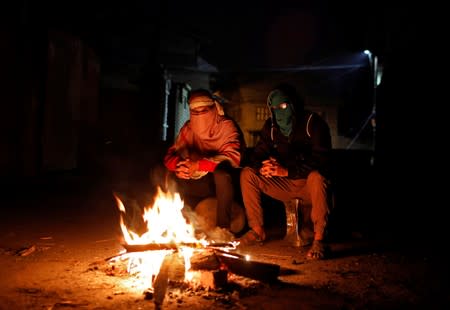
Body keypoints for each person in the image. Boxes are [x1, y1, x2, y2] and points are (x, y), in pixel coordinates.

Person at [239, 83, 333, 260]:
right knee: (248, 174)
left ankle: (320, 239)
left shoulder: (313, 124)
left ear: (293, 104)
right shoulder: (271, 127)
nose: (279, 112)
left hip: (310, 188)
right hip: (286, 187)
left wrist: (286, 171)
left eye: (283, 106)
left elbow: (321, 160)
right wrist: (264, 165)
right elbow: (256, 155)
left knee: (317, 177)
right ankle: (257, 230)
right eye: (274, 108)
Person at [161, 88, 245, 239]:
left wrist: (198, 165)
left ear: (213, 108)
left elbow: (233, 157)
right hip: (202, 182)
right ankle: (179, 226)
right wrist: (180, 166)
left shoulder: (227, 127)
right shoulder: (189, 128)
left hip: (227, 184)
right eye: (195, 112)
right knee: (170, 174)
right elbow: (171, 155)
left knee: (222, 174)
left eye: (204, 110)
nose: (200, 115)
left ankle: (223, 229)